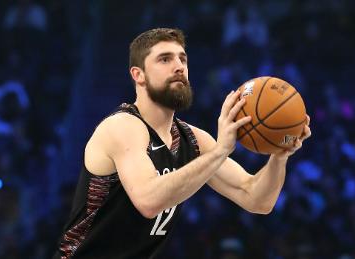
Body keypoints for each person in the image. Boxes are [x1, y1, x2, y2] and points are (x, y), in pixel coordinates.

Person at [53, 28, 311, 259]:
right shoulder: (123, 126)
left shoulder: (193, 140)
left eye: (182, 59)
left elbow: (256, 199)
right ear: (138, 75)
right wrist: (221, 150)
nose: (179, 66)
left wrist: (280, 154)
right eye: (165, 59)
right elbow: (149, 200)